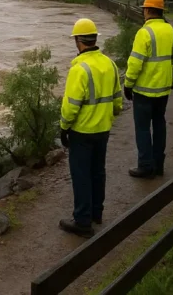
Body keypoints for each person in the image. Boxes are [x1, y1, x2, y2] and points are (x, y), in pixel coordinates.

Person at [59, 18, 123, 238]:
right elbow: (117, 100)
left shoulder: (79, 69)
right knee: (98, 171)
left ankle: (83, 221)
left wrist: (63, 127)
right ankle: (96, 213)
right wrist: (110, 115)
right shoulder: (110, 64)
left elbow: (71, 107)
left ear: (78, 40)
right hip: (103, 129)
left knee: (81, 175)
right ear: (95, 38)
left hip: (82, 131)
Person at [124, 0, 173, 178]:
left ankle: (145, 166)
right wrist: (170, 82)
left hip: (143, 92)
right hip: (163, 90)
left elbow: (135, 63)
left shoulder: (144, 33)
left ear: (148, 10)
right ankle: (158, 165)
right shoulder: (171, 31)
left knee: (142, 128)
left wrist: (128, 84)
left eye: (144, 10)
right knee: (159, 125)